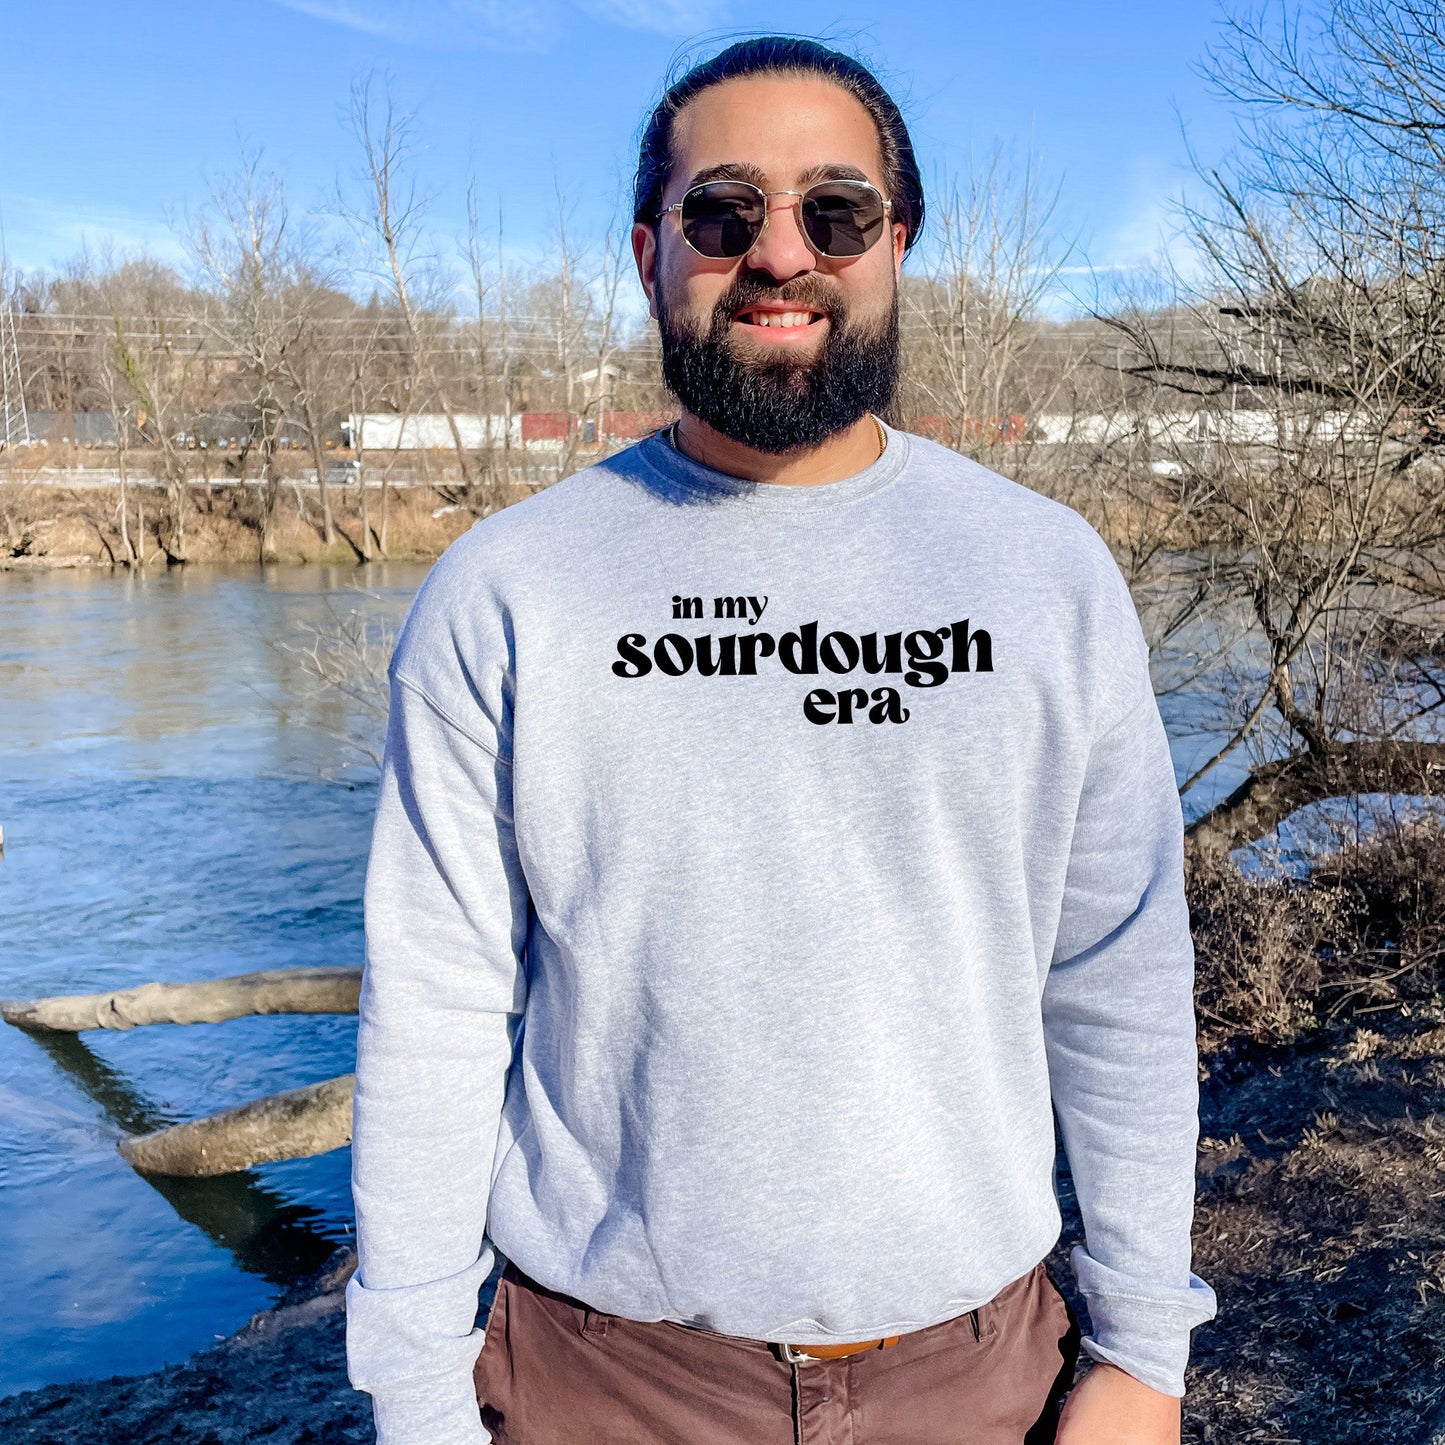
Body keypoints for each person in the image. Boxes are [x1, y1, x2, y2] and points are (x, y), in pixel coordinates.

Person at [344, 35, 1218, 1445]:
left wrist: (1142, 1350)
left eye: (835, 210)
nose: (778, 252)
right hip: (600, 1384)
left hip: (981, 1375)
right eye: (721, 210)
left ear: (895, 242)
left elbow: (1114, 975)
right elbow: (437, 1009)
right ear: (649, 252)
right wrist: (415, 1391)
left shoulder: (1043, 575)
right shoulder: (507, 589)